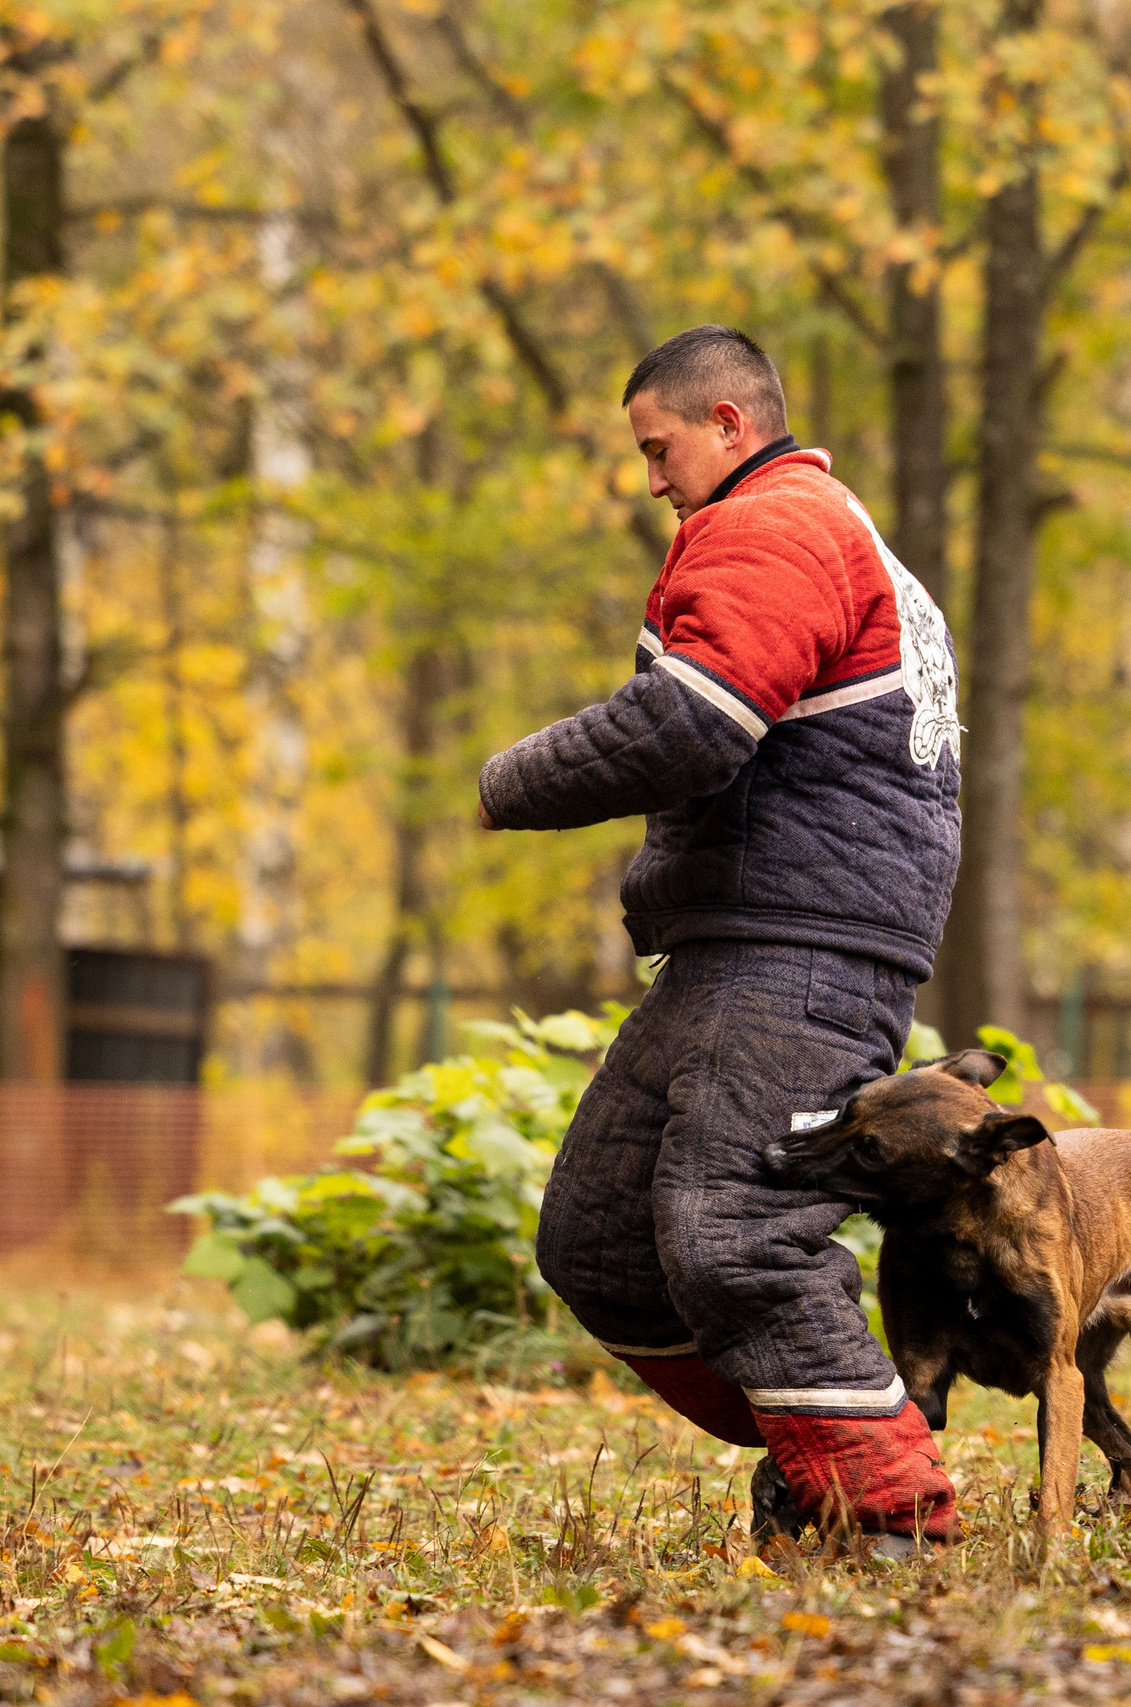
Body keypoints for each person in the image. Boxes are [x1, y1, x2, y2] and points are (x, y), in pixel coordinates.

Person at [475, 326, 964, 1550]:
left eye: (659, 447)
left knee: (733, 1232)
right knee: (598, 1231)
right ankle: (825, 1448)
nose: (651, 479)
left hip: (803, 940)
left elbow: (692, 722)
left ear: (729, 424)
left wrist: (512, 779)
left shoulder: (776, 524)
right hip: (749, 933)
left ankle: (886, 1516)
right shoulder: (825, 530)